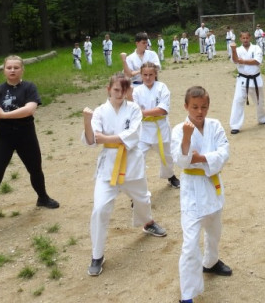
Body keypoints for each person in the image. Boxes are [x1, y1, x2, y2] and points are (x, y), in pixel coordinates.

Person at [82, 73, 167, 276]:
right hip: (108, 169)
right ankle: (97, 255)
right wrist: (87, 121)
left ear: (129, 90)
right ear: (109, 90)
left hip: (132, 165)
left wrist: (106, 138)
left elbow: (134, 135)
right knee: (99, 209)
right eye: (116, 90)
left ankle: (148, 223)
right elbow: (92, 140)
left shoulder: (135, 109)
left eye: (124, 90)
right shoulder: (100, 112)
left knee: (143, 199)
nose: (120, 94)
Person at [0, 55, 59, 243]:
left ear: (22, 70)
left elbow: (29, 109)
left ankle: (42, 198)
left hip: (26, 136)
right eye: (9, 67)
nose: (12, 70)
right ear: (4, 70)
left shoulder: (29, 87)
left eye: (16, 67)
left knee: (35, 169)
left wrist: (4, 115)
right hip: (3, 138)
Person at [171, 86, 232, 303]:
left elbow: (225, 152)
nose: (199, 111)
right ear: (186, 106)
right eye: (195, 107)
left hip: (212, 187)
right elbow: (180, 161)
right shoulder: (179, 130)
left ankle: (211, 262)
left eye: (204, 107)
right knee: (190, 245)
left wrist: (200, 158)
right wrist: (186, 140)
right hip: (192, 192)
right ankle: (187, 295)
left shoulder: (215, 125)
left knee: (214, 232)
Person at [133, 62, 180, 189]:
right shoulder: (136, 91)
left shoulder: (162, 87)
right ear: (141, 75)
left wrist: (143, 112)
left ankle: (170, 176)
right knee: (138, 157)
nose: (148, 78)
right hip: (143, 129)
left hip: (161, 127)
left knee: (167, 156)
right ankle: (138, 187)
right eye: (145, 75)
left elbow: (163, 110)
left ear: (155, 74)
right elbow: (135, 111)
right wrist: (144, 113)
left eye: (150, 75)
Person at [228, 31, 265, 134]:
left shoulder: (256, 48)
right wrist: (233, 50)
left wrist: (242, 61)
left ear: (250, 38)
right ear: (240, 39)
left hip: (256, 79)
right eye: (243, 38)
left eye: (247, 38)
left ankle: (262, 118)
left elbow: (257, 61)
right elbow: (235, 60)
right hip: (242, 79)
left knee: (259, 101)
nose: (245, 40)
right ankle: (235, 125)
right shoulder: (238, 50)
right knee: (238, 100)